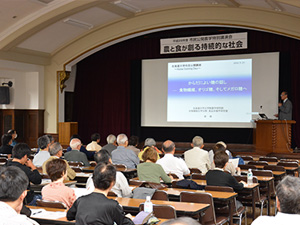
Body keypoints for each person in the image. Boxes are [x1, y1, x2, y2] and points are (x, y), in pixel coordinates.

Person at [67, 163, 134, 225]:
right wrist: (128, 218)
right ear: (112, 183)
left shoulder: (80, 200)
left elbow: (69, 216)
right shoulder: (113, 205)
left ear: (93, 180)